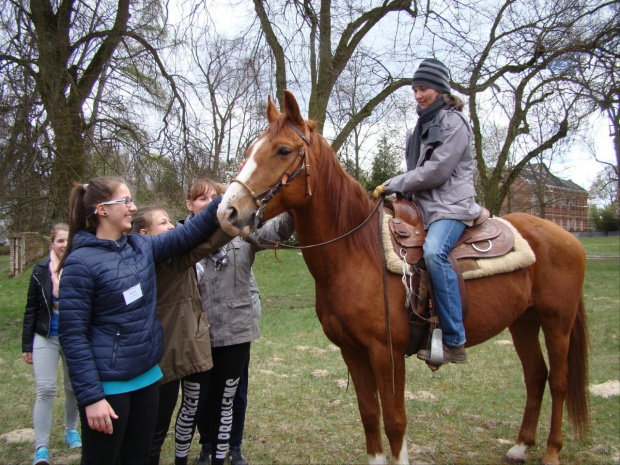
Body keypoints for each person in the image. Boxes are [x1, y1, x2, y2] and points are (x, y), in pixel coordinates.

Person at [57, 176, 221, 465]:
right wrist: (92, 398)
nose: (133, 208)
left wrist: (235, 191)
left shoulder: (140, 247)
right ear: (102, 210)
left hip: (147, 379)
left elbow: (190, 233)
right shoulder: (80, 263)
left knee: (140, 458)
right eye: (126, 201)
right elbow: (73, 336)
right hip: (109, 389)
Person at [373, 58, 481, 364]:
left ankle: (454, 340)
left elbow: (437, 171)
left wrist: (392, 182)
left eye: (424, 89)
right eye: (415, 89)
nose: (418, 95)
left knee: (434, 253)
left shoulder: (454, 123)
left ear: (440, 90)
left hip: (451, 208)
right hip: (423, 208)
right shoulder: (420, 129)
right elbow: (418, 171)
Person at [183, 179, 294, 465]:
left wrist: (293, 207)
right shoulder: (181, 239)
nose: (208, 203)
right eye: (201, 199)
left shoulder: (240, 235)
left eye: (214, 198)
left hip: (236, 331)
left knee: (233, 395)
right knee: (201, 396)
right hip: (198, 334)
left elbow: (275, 231)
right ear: (189, 204)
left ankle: (233, 447)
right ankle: (207, 445)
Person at [130, 205, 230, 465]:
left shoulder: (167, 254)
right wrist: (230, 224)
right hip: (164, 351)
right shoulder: (162, 258)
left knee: (188, 410)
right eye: (163, 223)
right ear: (144, 233)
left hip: (190, 342)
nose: (171, 227)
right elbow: (202, 246)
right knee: (156, 429)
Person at [22, 223, 81, 465]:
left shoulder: (78, 267)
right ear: (51, 244)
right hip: (45, 336)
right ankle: (42, 447)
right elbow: (31, 309)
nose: (64, 245)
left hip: (73, 336)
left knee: (73, 388)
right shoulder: (40, 270)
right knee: (46, 390)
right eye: (60, 241)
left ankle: (71, 429)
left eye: (68, 240)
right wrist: (27, 345)